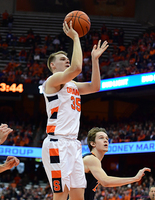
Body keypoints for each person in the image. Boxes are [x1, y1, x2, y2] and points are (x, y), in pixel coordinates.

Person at [41, 21, 108, 200]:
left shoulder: (73, 85)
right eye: (62, 59)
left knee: (79, 194)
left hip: (73, 144)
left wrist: (94, 60)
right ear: (53, 66)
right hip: (57, 143)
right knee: (61, 194)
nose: (66, 59)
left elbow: (95, 87)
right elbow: (77, 68)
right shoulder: (53, 81)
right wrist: (76, 37)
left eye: (67, 57)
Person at [83, 127, 151, 200]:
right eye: (101, 138)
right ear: (93, 143)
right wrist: (135, 178)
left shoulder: (93, 160)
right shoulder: (91, 159)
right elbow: (105, 181)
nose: (106, 140)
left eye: (106, 138)